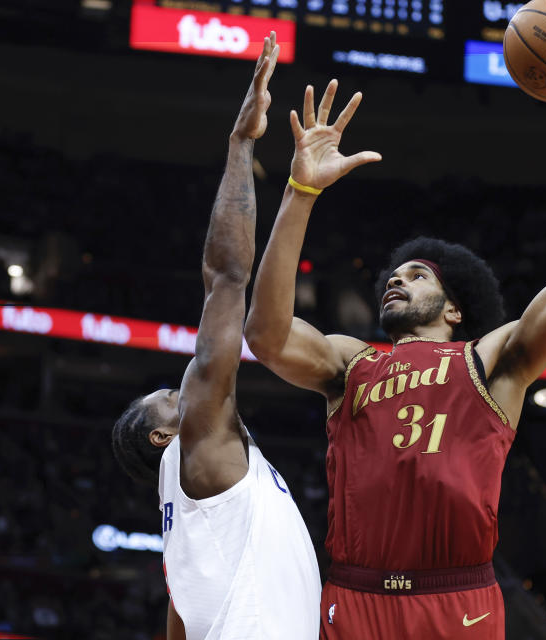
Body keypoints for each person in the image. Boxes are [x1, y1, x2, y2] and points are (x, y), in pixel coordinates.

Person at [244, 34, 546, 640]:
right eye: (394, 274)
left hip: (457, 600)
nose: (397, 278)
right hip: (354, 593)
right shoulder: (352, 362)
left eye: (417, 275)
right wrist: (301, 191)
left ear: (453, 310)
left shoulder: (492, 359)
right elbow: (264, 335)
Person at [110, 33, 320, 640]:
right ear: (164, 434)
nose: (188, 393)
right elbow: (226, 277)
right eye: (172, 400)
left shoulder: (183, 528)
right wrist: (240, 144)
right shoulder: (197, 446)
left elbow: (178, 623)